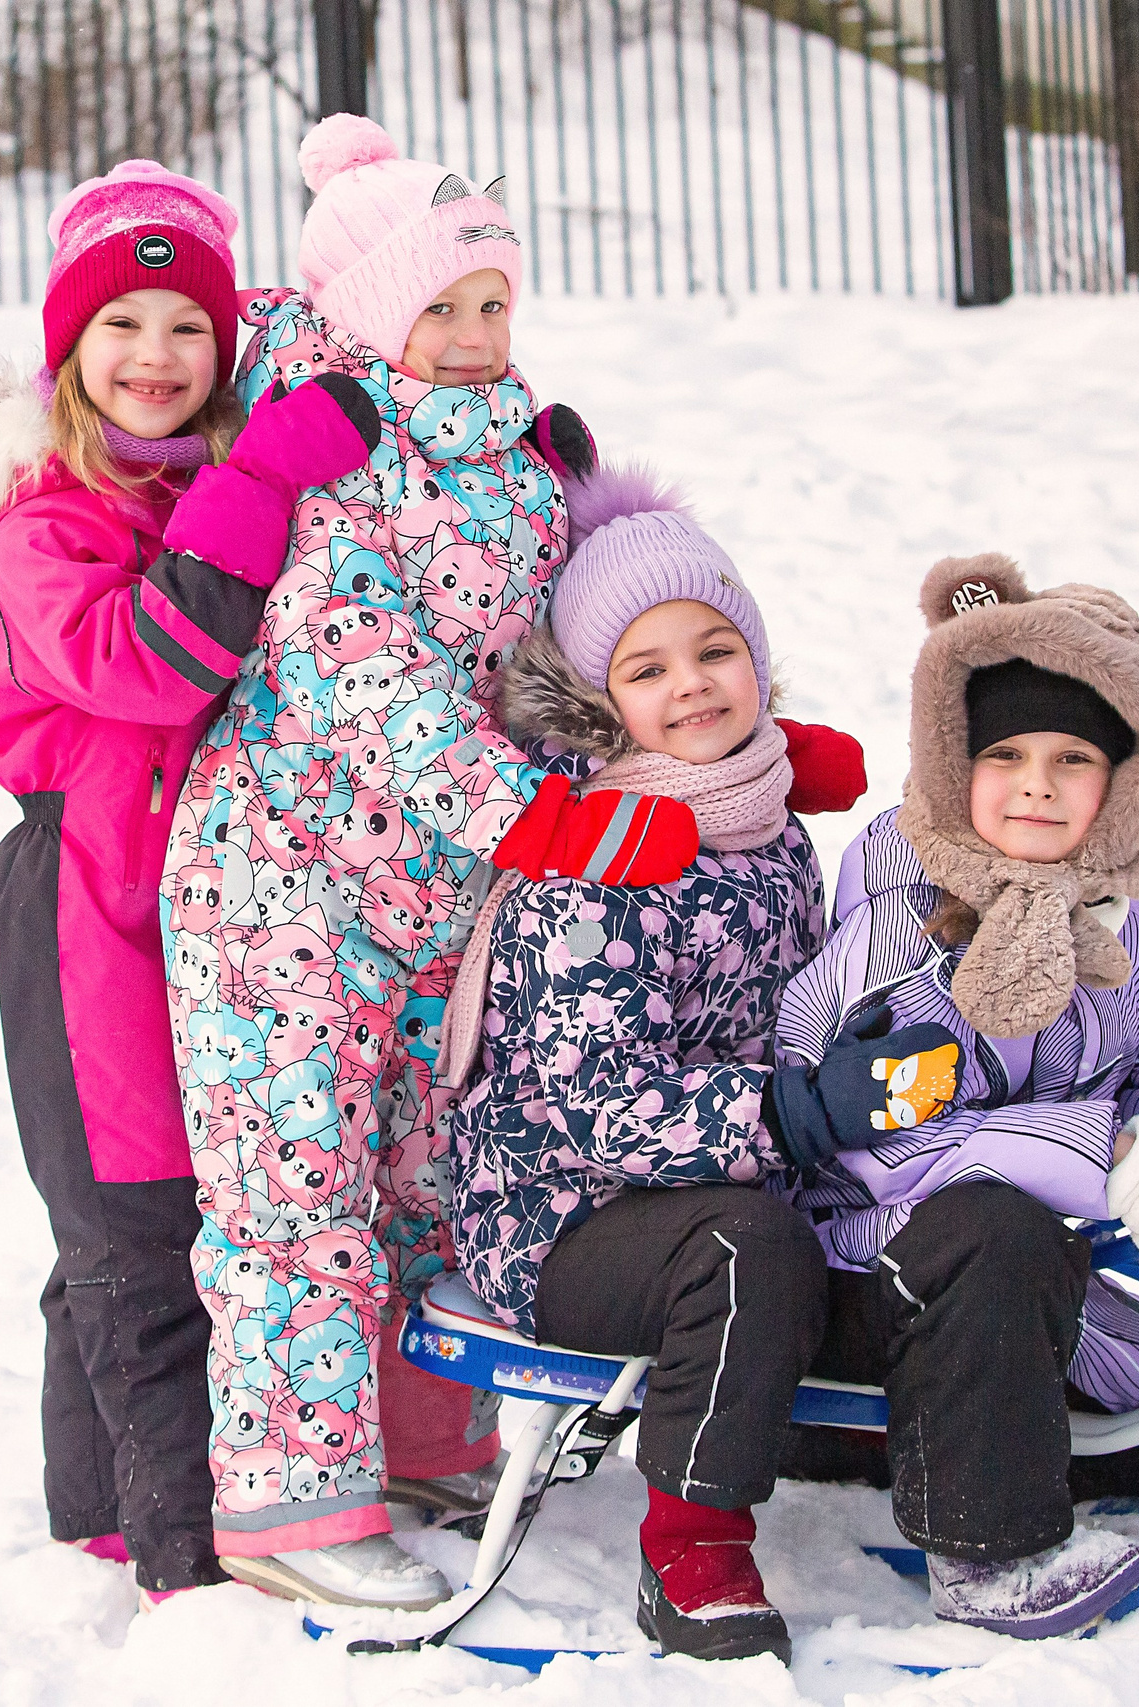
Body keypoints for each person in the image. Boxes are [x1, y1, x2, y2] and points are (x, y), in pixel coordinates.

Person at [155, 115, 715, 1610]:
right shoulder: (334, 452)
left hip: (446, 904)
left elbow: (572, 648)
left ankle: (408, 1434)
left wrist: (703, 756)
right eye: (439, 307)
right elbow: (366, 675)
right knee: (297, 1185)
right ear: (365, 312)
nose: (471, 335)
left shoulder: (531, 459)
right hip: (285, 891)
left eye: (492, 304)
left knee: (423, 1171)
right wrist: (527, 814)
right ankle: (289, 1506)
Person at [0, 158, 378, 1604]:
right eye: (122, 325)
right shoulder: (41, 514)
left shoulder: (187, 479)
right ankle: (184, 1558)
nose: (157, 360)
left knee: (165, 1204)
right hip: (85, 892)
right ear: (72, 347)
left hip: (211, 888)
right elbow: (148, 661)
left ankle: (100, 1511)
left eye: (187, 328)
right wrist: (256, 479)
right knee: (130, 1216)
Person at [770, 556, 1139, 1639]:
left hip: (1002, 1308)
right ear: (953, 762)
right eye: (1004, 755)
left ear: (1126, 785)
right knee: (993, 1226)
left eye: (1074, 760)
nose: (1036, 785)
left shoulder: (1112, 918)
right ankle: (988, 1551)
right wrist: (1105, 1154)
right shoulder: (900, 918)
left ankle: (1011, 1440)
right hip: (853, 1285)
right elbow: (888, 1144)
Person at [440, 468, 836, 1663]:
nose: (691, 687)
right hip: (564, 1212)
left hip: (724, 1164)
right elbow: (606, 1109)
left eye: (714, 650)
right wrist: (796, 1112)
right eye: (647, 670)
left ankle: (877, 1424)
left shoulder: (769, 821)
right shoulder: (602, 855)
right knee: (745, 1244)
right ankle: (693, 1547)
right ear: (602, 703)